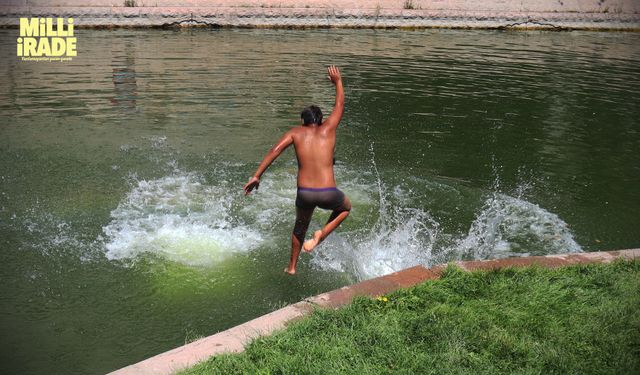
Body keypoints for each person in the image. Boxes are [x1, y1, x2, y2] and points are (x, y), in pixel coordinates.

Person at [243, 65, 351, 275]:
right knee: (345, 208)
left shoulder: (296, 132)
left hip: (305, 193)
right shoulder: (329, 128)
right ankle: (321, 234)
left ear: (303, 121)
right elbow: (340, 105)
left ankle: (292, 267)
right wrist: (338, 82)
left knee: (300, 226)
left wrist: (257, 175)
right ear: (320, 120)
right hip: (328, 192)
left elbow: (274, 150)